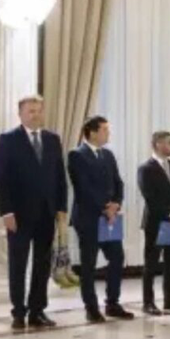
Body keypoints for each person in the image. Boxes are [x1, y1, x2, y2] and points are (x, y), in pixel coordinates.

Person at [0, 95, 68, 330]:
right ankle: (18, 312)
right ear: (21, 114)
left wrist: (61, 208)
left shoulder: (52, 140)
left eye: (39, 110)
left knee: (42, 264)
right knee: (18, 263)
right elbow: (0, 178)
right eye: (31, 111)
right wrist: (6, 212)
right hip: (19, 215)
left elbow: (60, 176)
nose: (36, 115)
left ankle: (37, 310)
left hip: (46, 213)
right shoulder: (8, 140)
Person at [67, 116, 133, 323]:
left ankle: (112, 303)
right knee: (89, 264)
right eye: (104, 129)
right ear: (92, 132)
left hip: (109, 219)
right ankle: (91, 308)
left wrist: (116, 204)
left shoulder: (108, 154)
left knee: (117, 258)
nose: (108, 133)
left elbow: (118, 183)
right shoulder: (77, 155)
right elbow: (83, 187)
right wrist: (105, 207)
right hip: (88, 218)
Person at [137, 131, 170, 315]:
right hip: (156, 222)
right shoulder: (146, 169)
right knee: (151, 264)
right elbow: (150, 197)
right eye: (169, 142)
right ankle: (148, 302)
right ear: (158, 144)